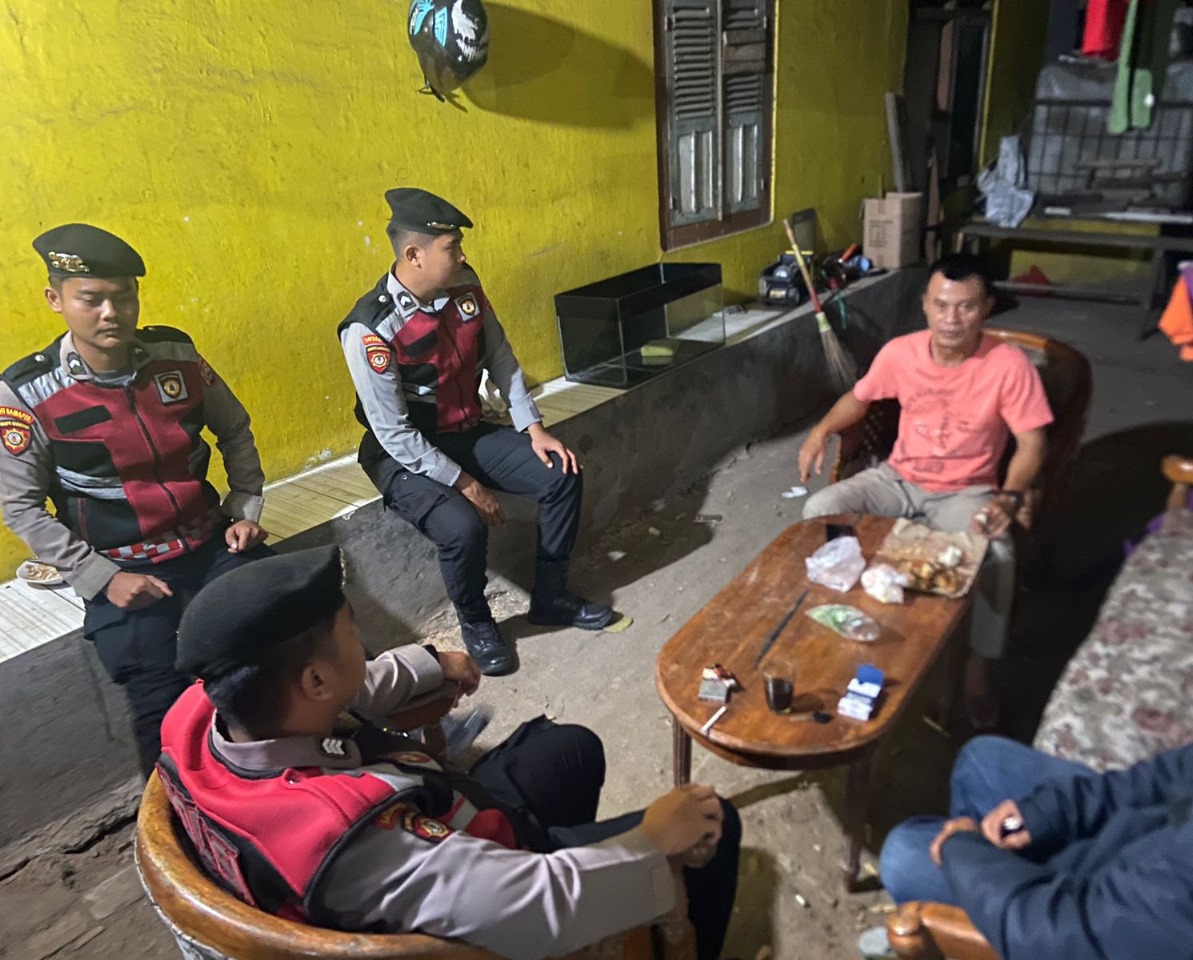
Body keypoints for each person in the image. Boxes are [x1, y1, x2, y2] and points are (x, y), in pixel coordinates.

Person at [158, 546, 740, 960]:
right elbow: (540, 906)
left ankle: (562, 849)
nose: (363, 644)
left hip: (448, 812)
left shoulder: (212, 711)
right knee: (714, 826)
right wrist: (651, 841)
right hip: (487, 884)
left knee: (574, 749)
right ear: (314, 680)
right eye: (353, 633)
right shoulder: (351, 842)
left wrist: (430, 663)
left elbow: (343, 687)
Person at [0, 223, 269, 774]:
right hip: (125, 571)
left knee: (300, 633)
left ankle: (342, 764)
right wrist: (100, 578)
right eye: (91, 299)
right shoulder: (26, 393)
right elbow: (20, 506)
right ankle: (177, 818)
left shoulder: (176, 355)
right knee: (164, 713)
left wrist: (245, 506)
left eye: (123, 297)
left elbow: (235, 429)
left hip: (210, 543)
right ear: (55, 300)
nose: (111, 313)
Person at [876, 611, 1193, 960]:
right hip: (1130, 850)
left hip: (1082, 906)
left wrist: (963, 848)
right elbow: (1157, 779)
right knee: (983, 760)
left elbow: (1059, 934)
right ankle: (982, 888)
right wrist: (1048, 813)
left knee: (905, 853)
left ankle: (967, 929)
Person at [337, 188, 613, 677]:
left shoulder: (465, 286)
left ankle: (551, 597)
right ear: (414, 255)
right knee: (462, 526)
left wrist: (533, 426)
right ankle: (477, 622)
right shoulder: (370, 328)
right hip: (402, 453)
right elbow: (394, 432)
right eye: (452, 248)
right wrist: (466, 484)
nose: (462, 256)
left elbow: (500, 355)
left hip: (465, 428)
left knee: (560, 472)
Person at [797, 254, 1052, 728]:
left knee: (997, 555)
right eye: (941, 305)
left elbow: (1033, 443)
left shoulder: (1009, 365)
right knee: (821, 508)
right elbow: (859, 398)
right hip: (898, 479)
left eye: (966, 307)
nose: (951, 319)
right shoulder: (901, 353)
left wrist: (1010, 496)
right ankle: (844, 618)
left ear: (987, 308)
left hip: (966, 491)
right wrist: (820, 430)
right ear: (925, 306)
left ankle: (977, 671)